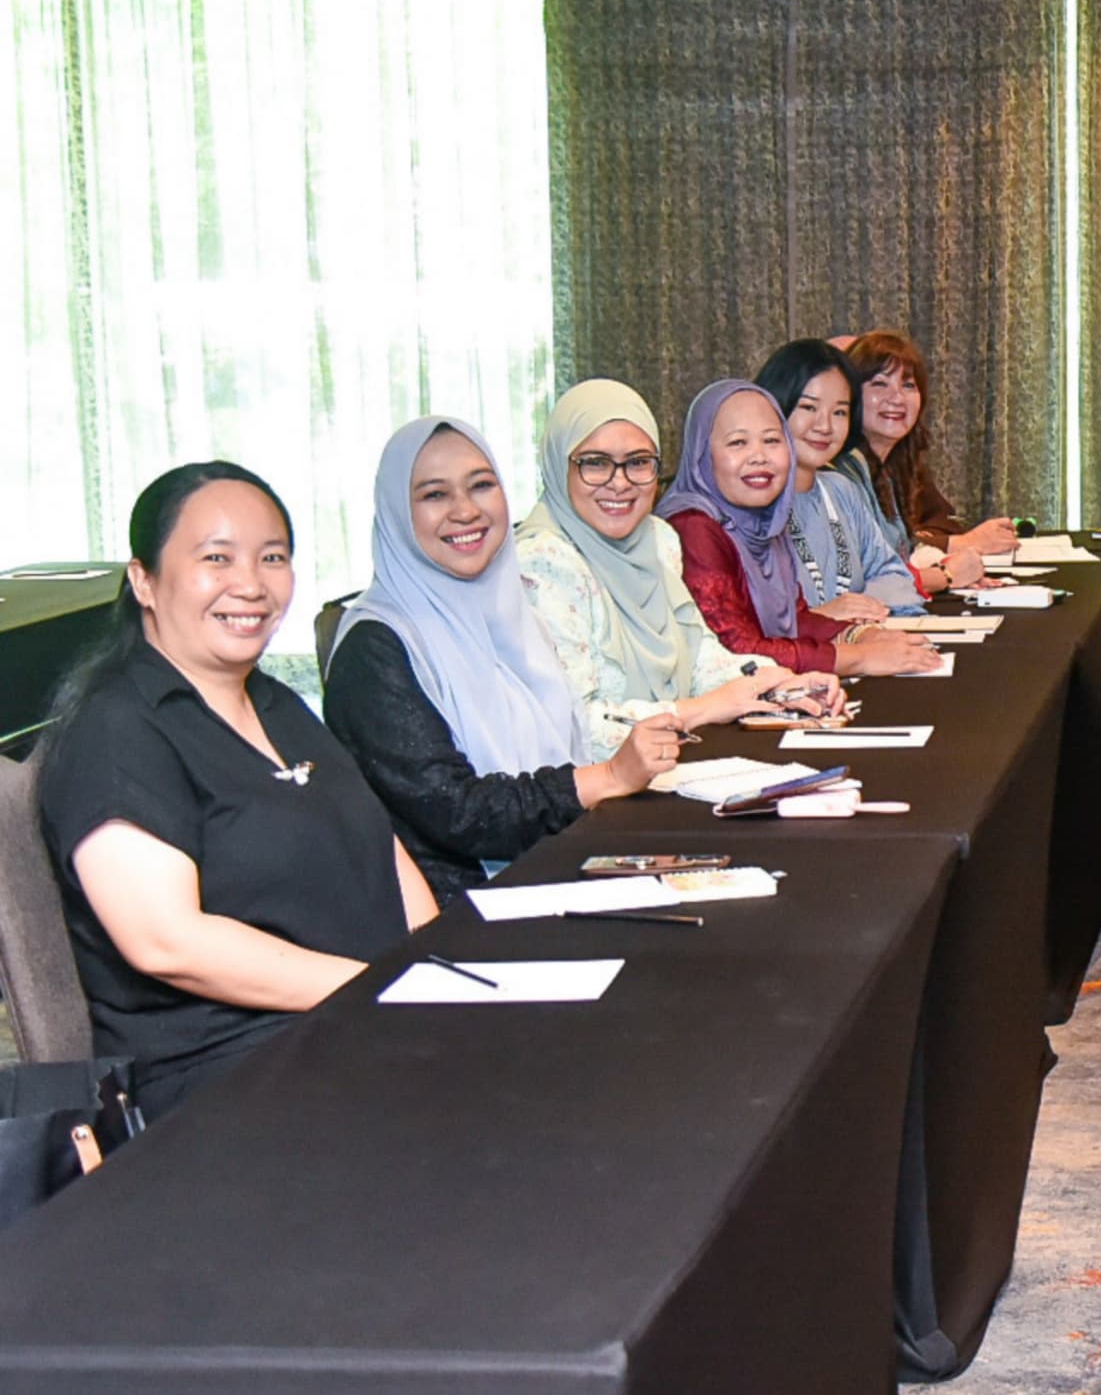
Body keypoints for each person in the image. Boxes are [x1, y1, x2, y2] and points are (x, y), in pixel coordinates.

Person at [38, 462, 435, 1117]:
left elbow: (379, 849)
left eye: (271, 557)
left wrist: (442, 973)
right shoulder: (116, 727)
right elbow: (166, 940)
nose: (250, 584)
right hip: (231, 1077)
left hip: (362, 1026)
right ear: (143, 579)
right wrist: (383, 986)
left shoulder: (278, 703)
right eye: (216, 558)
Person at [323, 417, 686, 903]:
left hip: (559, 866)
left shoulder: (514, 616)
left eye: (481, 485)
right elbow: (458, 811)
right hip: (461, 914)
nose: (465, 510)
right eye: (434, 494)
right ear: (396, 513)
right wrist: (608, 777)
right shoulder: (373, 649)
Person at [515, 379, 848, 762]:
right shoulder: (543, 562)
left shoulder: (657, 540)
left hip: (673, 765)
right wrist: (699, 710)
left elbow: (700, 654)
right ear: (559, 465)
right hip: (601, 789)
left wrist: (777, 684)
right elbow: (574, 728)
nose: (619, 482)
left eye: (638, 462)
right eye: (595, 463)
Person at [660, 378, 944, 678]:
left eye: (772, 440)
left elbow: (795, 620)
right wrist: (858, 658)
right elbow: (738, 651)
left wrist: (859, 635)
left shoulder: (764, 521)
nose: (759, 456)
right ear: (702, 455)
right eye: (738, 443)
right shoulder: (693, 526)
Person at [754, 339, 928, 621]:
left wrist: (860, 610)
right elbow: (745, 623)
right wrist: (824, 619)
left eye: (839, 412)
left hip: (867, 638)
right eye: (809, 407)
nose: (824, 426)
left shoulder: (839, 490)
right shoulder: (751, 503)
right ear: (775, 406)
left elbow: (893, 573)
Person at [831, 330, 1014, 570]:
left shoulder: (892, 465)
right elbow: (871, 572)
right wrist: (946, 575)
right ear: (849, 395)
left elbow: (934, 527)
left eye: (908, 385)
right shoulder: (842, 472)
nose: (897, 398)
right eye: (879, 384)